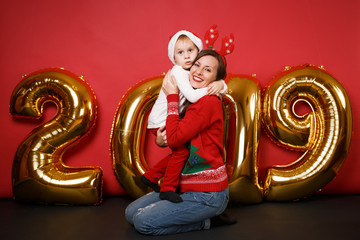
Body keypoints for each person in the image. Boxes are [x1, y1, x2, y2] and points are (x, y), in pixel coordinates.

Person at [125, 49, 235, 235]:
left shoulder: (208, 103)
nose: (199, 72)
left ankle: (207, 221)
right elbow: (176, 136)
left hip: (207, 195)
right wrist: (161, 139)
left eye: (207, 70)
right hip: (183, 187)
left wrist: (172, 95)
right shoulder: (192, 98)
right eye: (197, 65)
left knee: (143, 223)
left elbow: (175, 138)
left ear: (215, 79)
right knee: (130, 214)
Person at [142, 30, 227, 201]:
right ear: (173, 57)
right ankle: (166, 187)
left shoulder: (190, 73)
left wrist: (221, 84)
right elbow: (193, 96)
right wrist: (217, 87)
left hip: (168, 120)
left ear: (198, 51)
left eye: (191, 51)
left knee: (181, 152)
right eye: (180, 53)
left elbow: (208, 81)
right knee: (181, 153)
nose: (187, 57)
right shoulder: (178, 72)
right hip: (160, 120)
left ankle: (151, 176)